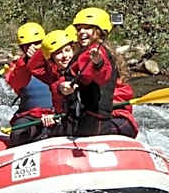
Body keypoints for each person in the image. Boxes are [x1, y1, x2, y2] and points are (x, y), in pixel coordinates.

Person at [57, 7, 137, 137]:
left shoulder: (98, 53)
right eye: (79, 29)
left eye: (87, 28)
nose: (81, 32)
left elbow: (101, 76)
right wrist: (62, 87)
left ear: (99, 31)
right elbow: (70, 76)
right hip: (87, 119)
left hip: (97, 122)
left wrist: (98, 63)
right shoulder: (85, 52)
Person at [4, 21, 54, 146]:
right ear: (22, 48)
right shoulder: (17, 67)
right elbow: (16, 82)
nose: (33, 47)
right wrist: (26, 61)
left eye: (37, 43)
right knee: (18, 135)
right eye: (27, 45)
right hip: (30, 117)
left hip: (54, 114)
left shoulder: (56, 62)